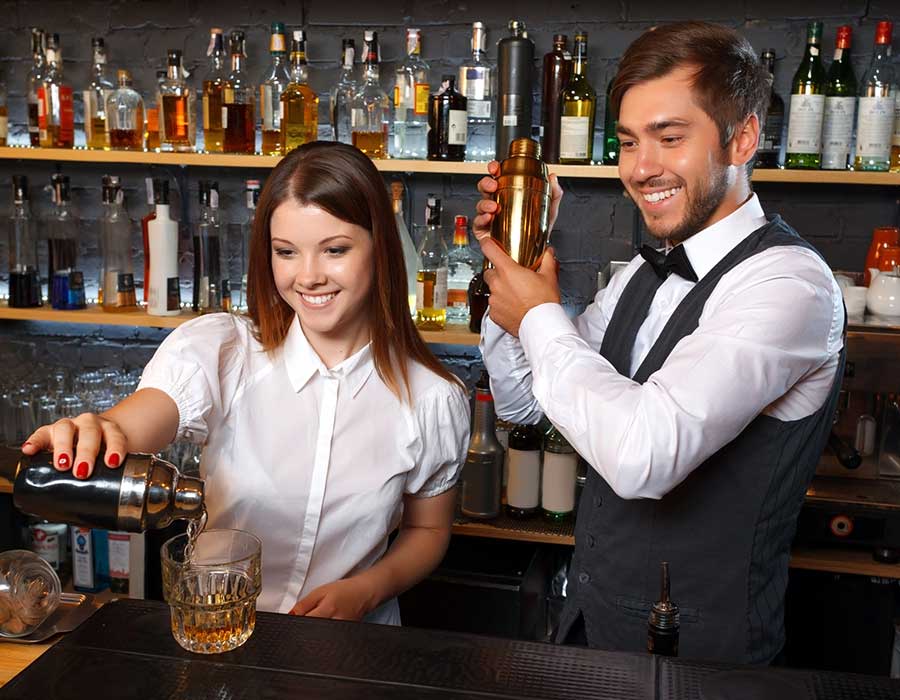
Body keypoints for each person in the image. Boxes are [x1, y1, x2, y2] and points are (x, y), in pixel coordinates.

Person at [474, 22, 844, 664]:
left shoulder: (791, 284)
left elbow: (647, 456)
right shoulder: (641, 276)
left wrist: (538, 315)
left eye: (669, 138)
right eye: (627, 143)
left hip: (703, 656)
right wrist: (521, 251)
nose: (641, 169)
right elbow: (526, 403)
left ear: (743, 137)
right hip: (591, 628)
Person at [21, 141, 470, 624]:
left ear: (380, 248)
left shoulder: (431, 398)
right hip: (217, 633)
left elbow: (428, 530)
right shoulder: (225, 350)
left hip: (349, 649)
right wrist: (102, 430)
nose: (310, 276)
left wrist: (366, 590)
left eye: (335, 250)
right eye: (286, 252)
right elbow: (145, 415)